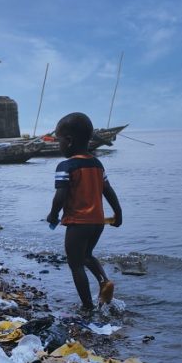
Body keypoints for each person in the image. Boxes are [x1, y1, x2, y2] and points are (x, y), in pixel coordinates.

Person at [46, 112, 122, 312]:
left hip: (78, 222)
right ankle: (104, 281)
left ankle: (87, 306)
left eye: (59, 140)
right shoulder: (97, 164)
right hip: (97, 222)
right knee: (87, 255)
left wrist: (53, 214)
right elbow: (108, 190)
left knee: (75, 264)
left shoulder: (66, 166)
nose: (58, 145)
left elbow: (60, 196)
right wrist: (118, 213)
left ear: (69, 141)